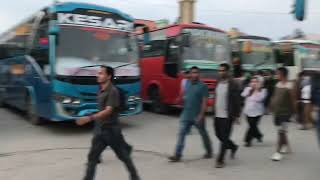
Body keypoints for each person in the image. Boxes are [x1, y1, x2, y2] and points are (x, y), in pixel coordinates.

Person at [76, 66, 140, 180]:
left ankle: (135, 177)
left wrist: (89, 118)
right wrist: (93, 114)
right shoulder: (100, 89)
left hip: (111, 131)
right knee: (92, 157)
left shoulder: (112, 91)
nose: (98, 75)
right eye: (98, 73)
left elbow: (108, 111)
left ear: (109, 76)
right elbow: (102, 109)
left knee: (124, 157)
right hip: (101, 130)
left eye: (101, 73)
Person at [168, 66, 213, 162]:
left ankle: (209, 151)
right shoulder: (187, 83)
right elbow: (184, 94)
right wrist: (179, 99)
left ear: (199, 74)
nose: (194, 75)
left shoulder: (203, 86)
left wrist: (201, 115)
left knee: (203, 134)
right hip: (186, 114)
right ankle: (177, 155)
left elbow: (204, 102)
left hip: (197, 116)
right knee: (181, 134)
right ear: (190, 74)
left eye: (196, 73)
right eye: (193, 73)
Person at [213, 63, 241, 168]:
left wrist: (237, 115)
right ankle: (233, 146)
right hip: (217, 114)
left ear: (228, 71)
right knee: (218, 134)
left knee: (224, 137)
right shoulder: (218, 82)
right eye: (219, 71)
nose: (220, 72)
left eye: (223, 70)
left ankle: (220, 160)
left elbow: (237, 101)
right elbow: (216, 96)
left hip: (227, 115)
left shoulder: (233, 83)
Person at [270, 67, 295, 161]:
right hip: (277, 112)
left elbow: (293, 101)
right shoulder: (277, 84)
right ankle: (286, 146)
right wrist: (271, 105)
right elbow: (274, 96)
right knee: (282, 131)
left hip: (286, 113)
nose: (276, 75)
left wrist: (295, 114)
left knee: (281, 131)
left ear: (283, 74)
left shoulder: (290, 86)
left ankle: (278, 152)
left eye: (278, 74)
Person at [241, 77, 267, 147]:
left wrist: (257, 90)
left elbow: (260, 99)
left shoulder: (263, 90)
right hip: (248, 111)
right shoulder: (248, 89)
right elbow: (243, 95)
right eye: (252, 82)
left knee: (252, 126)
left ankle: (247, 140)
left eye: (256, 82)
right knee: (252, 126)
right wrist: (250, 90)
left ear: (259, 83)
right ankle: (259, 135)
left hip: (258, 112)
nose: (254, 83)